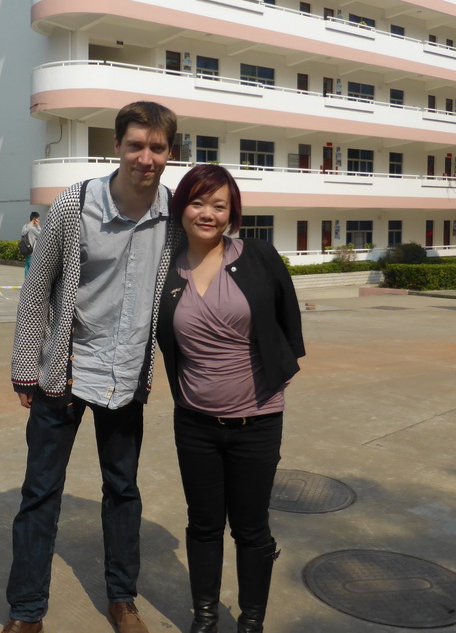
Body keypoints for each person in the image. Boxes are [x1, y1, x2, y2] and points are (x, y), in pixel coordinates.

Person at [1, 101, 180, 633]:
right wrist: (26, 367)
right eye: (135, 145)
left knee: (123, 491)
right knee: (39, 493)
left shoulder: (175, 214)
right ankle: (26, 612)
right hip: (67, 372)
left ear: (170, 153)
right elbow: (37, 290)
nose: (145, 158)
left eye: (157, 147)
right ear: (117, 146)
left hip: (126, 376)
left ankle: (122, 600)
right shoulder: (73, 207)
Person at [155, 164, 305, 633]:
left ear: (232, 212)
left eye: (219, 205)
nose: (208, 213)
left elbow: (287, 321)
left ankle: (252, 621)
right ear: (181, 208)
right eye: (198, 202)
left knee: (251, 527)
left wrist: (274, 378)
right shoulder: (166, 270)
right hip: (195, 423)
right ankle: (204, 616)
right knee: (203, 526)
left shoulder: (258, 255)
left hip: (257, 423)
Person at [20, 211, 41, 276]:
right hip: (32, 251)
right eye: (38, 219)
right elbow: (42, 236)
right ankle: (31, 284)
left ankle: (26, 283)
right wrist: (38, 226)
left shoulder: (24, 227)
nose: (39, 220)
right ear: (34, 219)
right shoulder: (33, 229)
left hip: (26, 250)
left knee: (27, 267)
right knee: (33, 270)